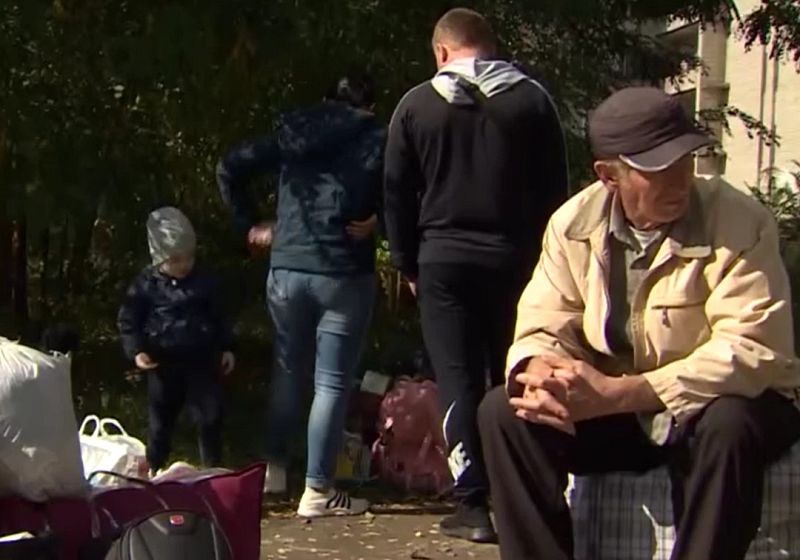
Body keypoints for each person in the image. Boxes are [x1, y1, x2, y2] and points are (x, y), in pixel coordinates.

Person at [478, 86, 800, 560]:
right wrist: (538, 370)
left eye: (685, 162)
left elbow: (754, 348)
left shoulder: (740, 220)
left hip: (726, 403)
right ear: (610, 176)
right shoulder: (572, 225)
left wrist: (627, 392)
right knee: (506, 411)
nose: (679, 180)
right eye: (658, 171)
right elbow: (545, 320)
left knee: (730, 424)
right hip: (625, 412)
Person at [382, 7, 568, 542]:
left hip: (443, 260)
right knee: (517, 372)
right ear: (491, 46)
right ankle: (525, 495)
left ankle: (472, 503)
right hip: (516, 260)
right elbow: (557, 190)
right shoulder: (532, 100)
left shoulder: (415, 106)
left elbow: (396, 191)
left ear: (442, 52)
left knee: (457, 377)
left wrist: (405, 262)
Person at [217, 73, 385, 518]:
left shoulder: (294, 132)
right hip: (342, 271)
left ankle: (273, 472)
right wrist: (379, 220)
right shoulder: (376, 137)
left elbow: (230, 166)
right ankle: (318, 489)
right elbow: (409, 187)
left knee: (289, 369)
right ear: (369, 107)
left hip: (287, 266)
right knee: (330, 382)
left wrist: (249, 225)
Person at [118, 207, 235, 475]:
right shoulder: (146, 285)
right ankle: (155, 467)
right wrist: (137, 351)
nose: (184, 266)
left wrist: (227, 346)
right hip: (163, 361)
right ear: (159, 259)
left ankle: (212, 469)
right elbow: (129, 320)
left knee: (210, 416)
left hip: (201, 360)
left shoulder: (204, 281)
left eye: (189, 258)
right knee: (161, 421)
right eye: (176, 260)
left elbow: (220, 315)